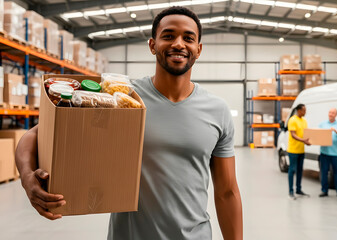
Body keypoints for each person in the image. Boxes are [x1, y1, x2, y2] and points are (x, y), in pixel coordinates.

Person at [15, 7, 243, 240]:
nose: (178, 44)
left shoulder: (217, 111)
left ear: (199, 49)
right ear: (153, 45)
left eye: (188, 38)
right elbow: (35, 135)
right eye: (168, 36)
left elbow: (226, 192)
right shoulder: (122, 98)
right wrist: (26, 176)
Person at [318, 108, 337, 199]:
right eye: (330, 112)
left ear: (336, 115)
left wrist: (336, 132)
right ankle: (324, 190)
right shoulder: (322, 124)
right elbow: (317, 135)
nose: (331, 114)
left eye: (333, 113)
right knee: (324, 172)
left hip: (335, 154)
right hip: (324, 153)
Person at [287, 103, 311, 200]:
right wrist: (304, 141)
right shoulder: (292, 120)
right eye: (304, 110)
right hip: (293, 150)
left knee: (300, 170)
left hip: (301, 150)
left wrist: (309, 140)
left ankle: (298, 189)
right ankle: (291, 191)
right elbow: (293, 134)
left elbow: (306, 133)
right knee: (292, 170)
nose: (305, 112)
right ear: (299, 110)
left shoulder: (304, 121)